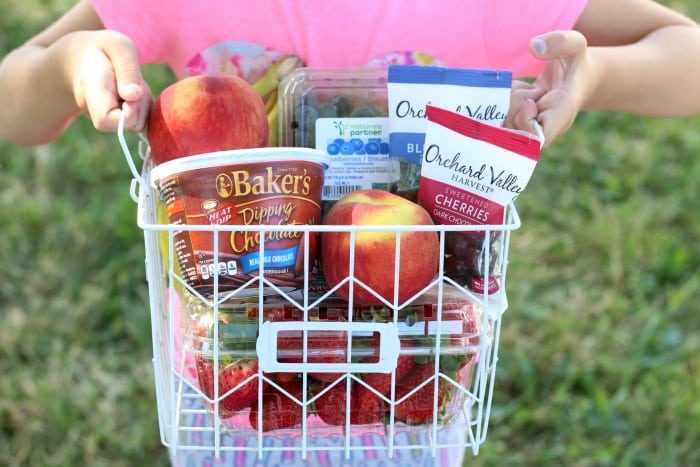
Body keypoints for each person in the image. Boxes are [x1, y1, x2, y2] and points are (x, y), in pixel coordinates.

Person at [1, 1, 699, 466]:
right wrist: (72, 62)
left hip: (408, 387)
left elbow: (685, 53)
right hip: (233, 381)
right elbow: (14, 99)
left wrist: (596, 70)